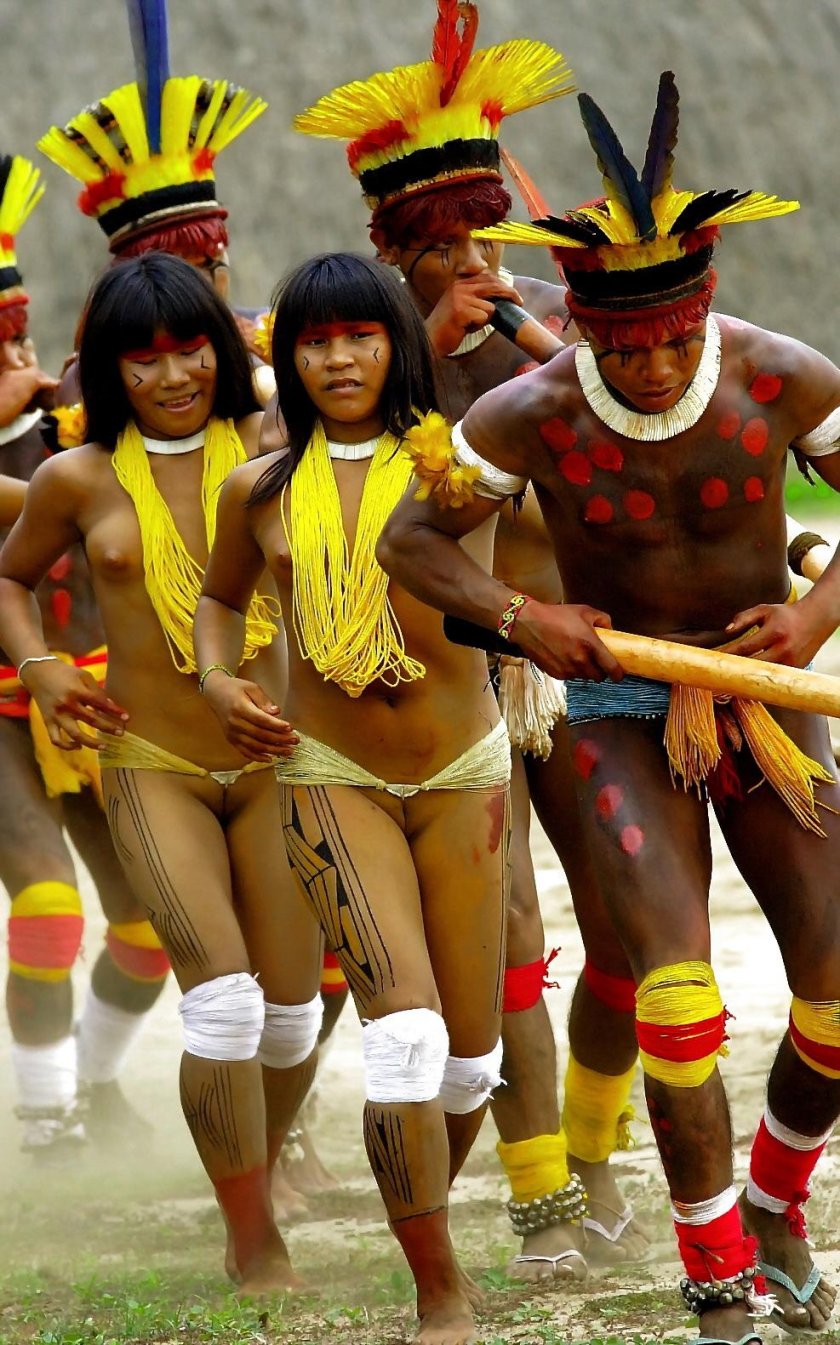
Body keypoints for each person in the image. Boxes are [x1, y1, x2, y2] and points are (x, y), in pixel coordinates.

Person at [380, 71, 840, 1342]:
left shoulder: (778, 376)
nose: (648, 367)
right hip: (617, 710)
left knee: (836, 995)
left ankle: (776, 1206)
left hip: (762, 697)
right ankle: (717, 1281)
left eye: (672, 343)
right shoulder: (527, 412)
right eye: (621, 348)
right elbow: (411, 544)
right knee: (675, 996)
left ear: (706, 313)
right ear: (578, 325)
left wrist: (813, 617)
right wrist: (523, 617)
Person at [294, 0, 646, 1274]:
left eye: (482, 233)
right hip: (451, 675)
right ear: (395, 250)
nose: (468, 263)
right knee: (503, 947)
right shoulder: (356, 351)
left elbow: (624, 460)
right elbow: (337, 500)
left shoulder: (563, 318)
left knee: (626, 927)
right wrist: (425, 369)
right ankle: (542, 1199)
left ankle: (596, 1154)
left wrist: (543, 345)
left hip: (580, 665)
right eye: (438, 246)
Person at [196, 251, 508, 1345]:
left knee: (469, 1065)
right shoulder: (258, 490)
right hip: (334, 776)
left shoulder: (462, 468)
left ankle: (414, 1207)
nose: (338, 358)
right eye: (315, 341)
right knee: (406, 1035)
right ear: (288, 357)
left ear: (398, 344)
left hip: (466, 773)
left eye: (360, 336)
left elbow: (565, 536)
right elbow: (219, 601)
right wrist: (219, 678)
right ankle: (439, 1290)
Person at [0, 252, 322, 1294]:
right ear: (107, 370)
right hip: (153, 766)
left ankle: (260, 1167)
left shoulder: (279, 447)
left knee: (291, 1018)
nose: (173, 375)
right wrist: (41, 666)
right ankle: (250, 1235)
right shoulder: (78, 477)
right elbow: (9, 580)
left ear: (221, 349)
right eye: (142, 361)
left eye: (190, 350)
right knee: (223, 1004)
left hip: (279, 762)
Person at [0, 151, 173, 1158]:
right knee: (49, 905)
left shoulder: (79, 423)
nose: (11, 355)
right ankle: (45, 1123)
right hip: (4, 707)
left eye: (14, 335)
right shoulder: (66, 465)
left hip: (96, 699)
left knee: (149, 922)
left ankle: (97, 1086)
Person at [38, 0, 274, 399]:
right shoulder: (93, 374)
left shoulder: (277, 336)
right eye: (174, 267)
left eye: (207, 262)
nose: (195, 284)